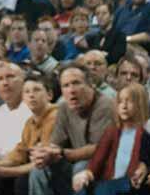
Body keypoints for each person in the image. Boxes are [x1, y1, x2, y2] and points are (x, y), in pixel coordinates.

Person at [28, 65, 115, 195]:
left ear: (90, 84)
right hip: (75, 163)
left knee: (81, 167)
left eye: (76, 83)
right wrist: (44, 153)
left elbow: (99, 148)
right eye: (66, 86)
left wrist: (61, 153)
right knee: (39, 170)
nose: (71, 90)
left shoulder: (105, 105)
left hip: (105, 165)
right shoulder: (63, 108)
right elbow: (56, 144)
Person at [0, 71, 58, 195]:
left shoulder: (56, 117)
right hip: (36, 169)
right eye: (27, 92)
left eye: (36, 90)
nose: (31, 95)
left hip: (56, 171)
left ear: (49, 95)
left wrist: (3, 171)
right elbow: (18, 156)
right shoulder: (30, 122)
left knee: (22, 180)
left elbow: (42, 163)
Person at [70, 82, 148, 195]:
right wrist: (87, 173)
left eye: (129, 101)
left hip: (129, 186)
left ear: (140, 104)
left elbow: (147, 163)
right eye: (120, 101)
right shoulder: (111, 132)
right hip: (108, 183)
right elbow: (98, 159)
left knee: (105, 189)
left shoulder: (145, 134)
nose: (124, 106)